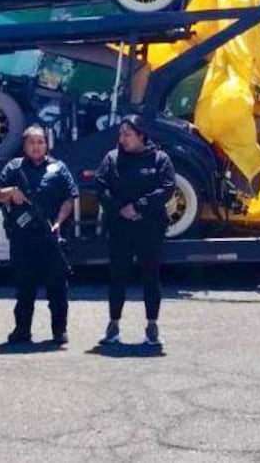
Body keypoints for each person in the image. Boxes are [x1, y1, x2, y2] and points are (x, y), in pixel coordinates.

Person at [94, 115, 175, 347]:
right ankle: (113, 325)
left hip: (149, 227)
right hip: (120, 226)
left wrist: (139, 206)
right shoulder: (112, 158)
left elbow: (167, 188)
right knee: (117, 275)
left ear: (141, 136)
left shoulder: (160, 159)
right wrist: (120, 208)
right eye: (121, 134)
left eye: (127, 134)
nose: (122, 139)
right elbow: (101, 185)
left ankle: (152, 326)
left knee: (150, 276)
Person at [0, 126, 78, 345]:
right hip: (23, 238)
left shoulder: (59, 168)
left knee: (57, 288)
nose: (37, 146)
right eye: (32, 142)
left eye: (40, 142)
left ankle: (59, 331)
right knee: (24, 288)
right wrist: (11, 192)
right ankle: (22, 330)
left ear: (46, 144)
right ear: (24, 145)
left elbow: (70, 198)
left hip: (51, 237)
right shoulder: (14, 167)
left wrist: (59, 222)